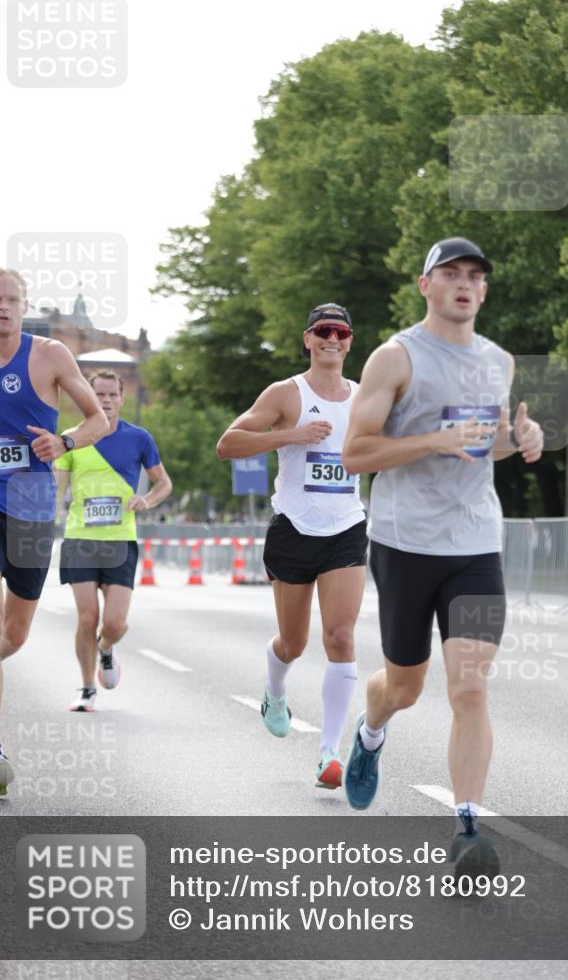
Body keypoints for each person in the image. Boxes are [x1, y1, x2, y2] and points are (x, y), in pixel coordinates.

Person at [342, 238, 544, 874]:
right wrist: (433, 439)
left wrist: (520, 440)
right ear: (425, 285)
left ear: (483, 291)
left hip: (476, 547)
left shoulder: (500, 361)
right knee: (404, 686)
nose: (463, 284)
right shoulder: (394, 358)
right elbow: (355, 453)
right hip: (405, 545)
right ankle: (371, 730)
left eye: (474, 276)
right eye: (450, 273)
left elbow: (486, 443)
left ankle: (467, 826)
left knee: (471, 689)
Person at [216, 304, 367, 789]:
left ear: (349, 341)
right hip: (294, 529)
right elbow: (228, 443)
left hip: (346, 527)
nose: (332, 339)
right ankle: (274, 690)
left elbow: (389, 446)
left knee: (341, 638)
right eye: (323, 331)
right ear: (308, 339)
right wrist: (293, 435)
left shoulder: (364, 398)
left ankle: (330, 752)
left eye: (340, 332)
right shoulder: (287, 393)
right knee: (294, 642)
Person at [0, 268, 108, 798]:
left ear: (24, 305)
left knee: (13, 635)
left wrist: (66, 442)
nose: (3, 307)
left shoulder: (51, 354)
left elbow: (98, 419)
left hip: (31, 505)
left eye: (12, 299)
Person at [54, 370, 172, 713]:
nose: (105, 401)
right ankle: (88, 687)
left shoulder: (139, 438)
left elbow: (163, 483)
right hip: (80, 537)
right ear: (87, 398)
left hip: (120, 539)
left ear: (121, 398)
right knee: (87, 618)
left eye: (111, 395)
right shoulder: (71, 439)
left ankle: (106, 649)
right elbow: (55, 487)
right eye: (99, 395)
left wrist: (146, 500)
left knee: (115, 624)